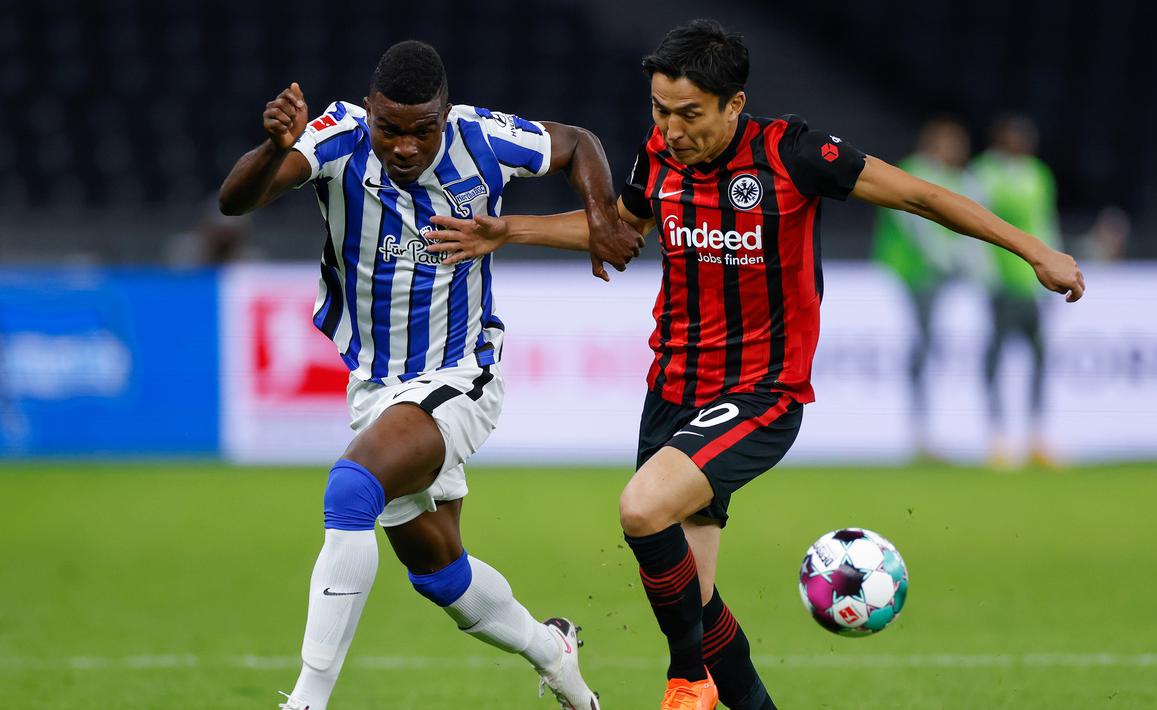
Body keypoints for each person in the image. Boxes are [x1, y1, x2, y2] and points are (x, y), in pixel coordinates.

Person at [426, 20, 1084, 710]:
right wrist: (509, 230)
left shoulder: (795, 154)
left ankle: (685, 683)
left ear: (733, 105)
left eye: (688, 114)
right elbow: (620, 232)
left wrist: (1031, 249)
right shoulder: (660, 158)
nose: (671, 128)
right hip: (672, 390)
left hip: (760, 393)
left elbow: (923, 196)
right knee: (698, 598)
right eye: (659, 110)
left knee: (641, 508)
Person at [218, 39, 641, 710]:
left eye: (423, 131)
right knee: (440, 574)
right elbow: (236, 203)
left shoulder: (483, 137)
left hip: (460, 374)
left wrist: (598, 214)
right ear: (369, 112)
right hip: (376, 388)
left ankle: (305, 701)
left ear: (446, 114)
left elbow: (575, 144)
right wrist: (274, 148)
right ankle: (553, 653)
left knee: (350, 489)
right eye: (391, 129)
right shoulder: (334, 136)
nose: (406, 147)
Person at [871, 117, 983, 461]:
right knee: (919, 348)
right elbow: (917, 226)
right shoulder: (914, 170)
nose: (959, 151)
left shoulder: (959, 178)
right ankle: (917, 433)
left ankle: (930, 431)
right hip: (908, 275)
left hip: (936, 279)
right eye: (952, 143)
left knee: (932, 348)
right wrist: (951, 259)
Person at [969, 114, 1062, 468]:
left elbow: (1046, 223)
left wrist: (1055, 267)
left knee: (1038, 356)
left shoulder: (1038, 174)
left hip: (1033, 284)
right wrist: (985, 275)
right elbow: (972, 226)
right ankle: (997, 437)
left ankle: (1037, 434)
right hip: (1000, 282)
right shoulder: (984, 174)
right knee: (997, 355)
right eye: (1015, 136)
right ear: (1000, 139)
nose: (1022, 143)